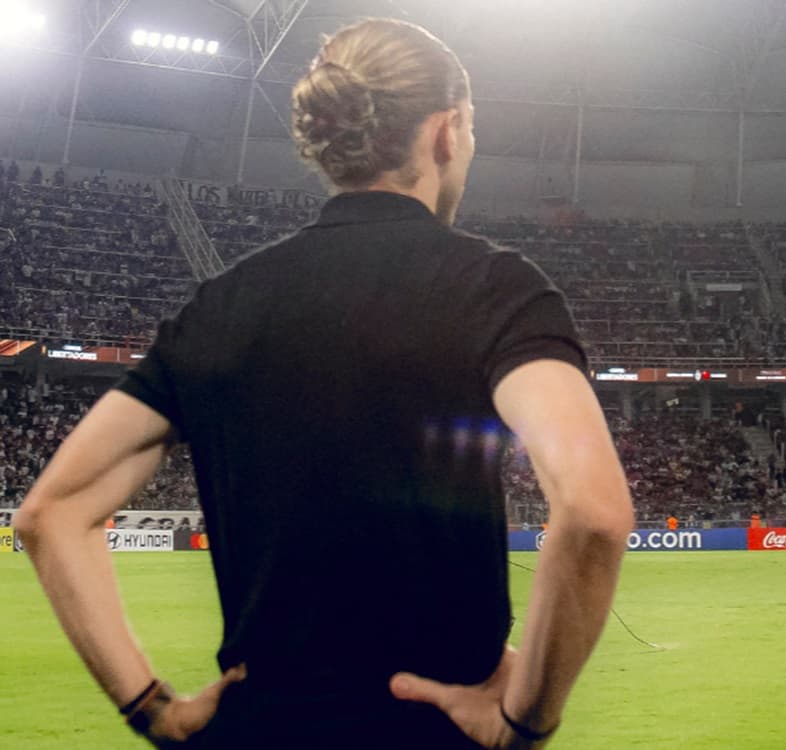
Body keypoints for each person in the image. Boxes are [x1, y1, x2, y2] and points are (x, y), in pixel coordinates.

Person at [15, 18, 634, 749]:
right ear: (446, 131)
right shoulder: (495, 291)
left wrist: (153, 710)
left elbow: (48, 515)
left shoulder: (221, 307)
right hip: (431, 730)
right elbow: (594, 511)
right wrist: (525, 720)